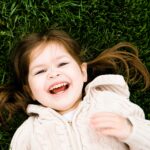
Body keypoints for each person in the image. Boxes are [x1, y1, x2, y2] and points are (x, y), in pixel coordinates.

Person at [0, 29, 150, 150]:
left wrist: (130, 130)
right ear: (30, 91)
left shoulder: (110, 102)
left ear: (83, 72)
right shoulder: (28, 134)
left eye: (62, 64)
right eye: (40, 71)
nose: (53, 74)